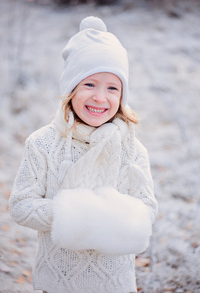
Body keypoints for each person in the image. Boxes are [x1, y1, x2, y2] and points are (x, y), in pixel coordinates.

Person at [9, 16, 158, 293]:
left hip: (115, 282)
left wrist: (112, 217)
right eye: (89, 84)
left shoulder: (132, 149)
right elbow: (20, 205)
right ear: (70, 89)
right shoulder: (42, 143)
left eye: (112, 87)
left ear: (122, 96)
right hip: (58, 281)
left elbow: (147, 207)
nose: (101, 97)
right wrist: (72, 216)